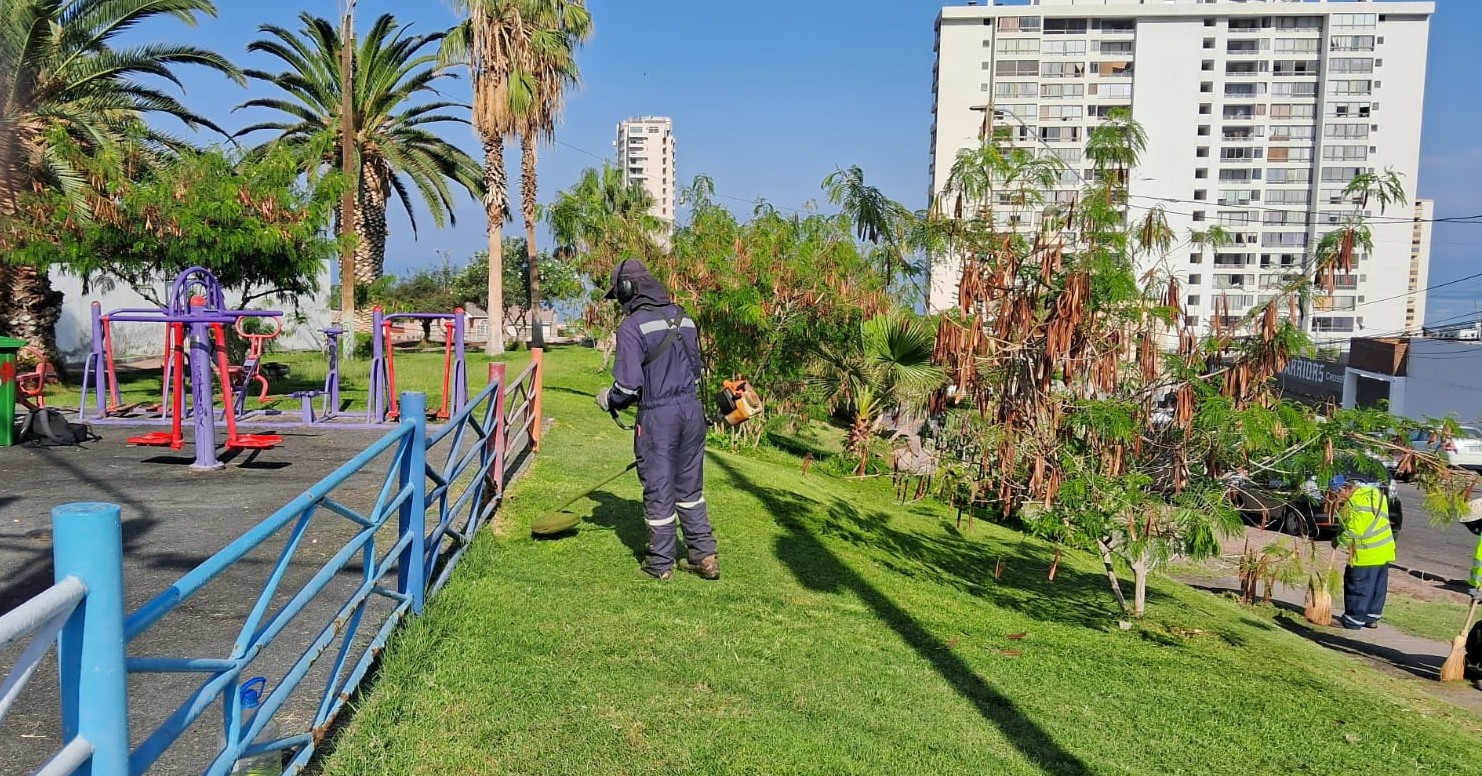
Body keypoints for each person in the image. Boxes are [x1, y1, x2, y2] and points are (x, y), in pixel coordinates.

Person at [594, 259, 719, 581]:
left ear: (627, 290)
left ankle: (660, 563)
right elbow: (695, 371)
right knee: (690, 488)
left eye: (618, 297)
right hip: (692, 412)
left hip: (659, 417)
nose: (619, 304)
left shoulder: (633, 326)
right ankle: (704, 556)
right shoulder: (684, 318)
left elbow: (627, 385)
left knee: (659, 488)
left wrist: (608, 399)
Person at [1329, 475, 1396, 630]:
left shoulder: (1355, 504)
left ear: (1346, 488)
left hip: (1366, 552)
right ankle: (1371, 617)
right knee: (1377, 587)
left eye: (1336, 493)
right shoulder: (1374, 493)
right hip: (1384, 550)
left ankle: (1353, 620)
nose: (1336, 498)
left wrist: (1338, 540)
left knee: (1358, 587)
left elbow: (1354, 531)